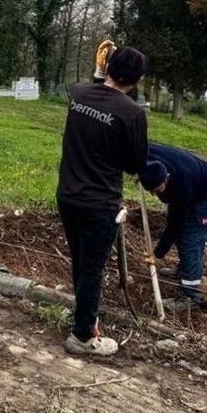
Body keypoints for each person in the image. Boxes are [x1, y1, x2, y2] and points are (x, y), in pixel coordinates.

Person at [56, 46, 150, 356]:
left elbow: (96, 92)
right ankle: (83, 336)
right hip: (100, 201)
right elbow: (135, 163)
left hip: (68, 194)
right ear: (136, 78)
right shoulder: (132, 113)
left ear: (107, 66)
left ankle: (85, 319)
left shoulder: (78, 93)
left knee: (81, 262)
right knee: (93, 268)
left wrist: (100, 72)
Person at [140, 144, 207, 311]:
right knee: (184, 234)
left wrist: (158, 252)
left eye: (157, 190)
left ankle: (190, 295)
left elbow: (174, 223)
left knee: (190, 237)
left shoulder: (182, 184)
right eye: (151, 191)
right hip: (195, 185)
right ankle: (185, 270)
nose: (155, 195)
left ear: (167, 177)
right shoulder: (144, 156)